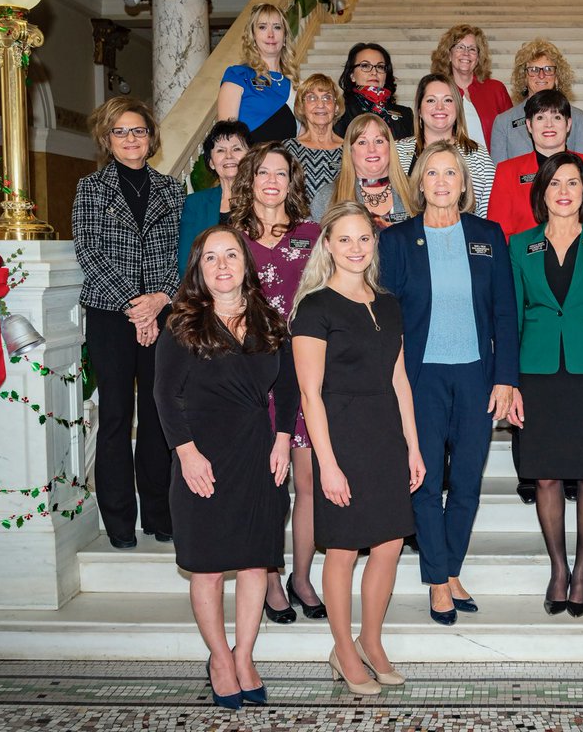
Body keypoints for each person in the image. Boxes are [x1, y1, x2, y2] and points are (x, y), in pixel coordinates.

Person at [155, 226, 296, 710]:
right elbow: (164, 396)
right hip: (203, 457)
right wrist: (186, 453)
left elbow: (291, 387)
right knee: (210, 568)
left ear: (245, 263)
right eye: (210, 257)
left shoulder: (270, 318)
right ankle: (219, 658)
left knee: (258, 561)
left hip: (258, 453)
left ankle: (245, 655)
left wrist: (281, 441)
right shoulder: (181, 323)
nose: (221, 265)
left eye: (230, 255)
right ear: (198, 268)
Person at [379, 141, 519, 627]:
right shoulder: (397, 240)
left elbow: (505, 310)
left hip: (476, 374)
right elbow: (388, 317)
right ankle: (438, 579)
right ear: (420, 184)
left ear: (465, 184)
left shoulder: (487, 235)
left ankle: (450, 568)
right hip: (420, 377)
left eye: (451, 174)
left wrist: (506, 378)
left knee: (465, 481)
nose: (441, 182)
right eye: (432, 174)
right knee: (424, 478)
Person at [291, 202, 425, 695]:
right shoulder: (315, 307)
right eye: (344, 239)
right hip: (340, 434)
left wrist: (413, 445)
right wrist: (327, 464)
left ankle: (371, 640)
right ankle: (343, 648)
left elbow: (400, 378)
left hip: (385, 432)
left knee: (389, 543)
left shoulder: (388, 304)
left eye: (363, 239)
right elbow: (309, 394)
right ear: (327, 245)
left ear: (375, 244)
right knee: (344, 549)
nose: (355, 248)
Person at [506, 152, 583, 619]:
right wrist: (509, 381)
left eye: (572, 183)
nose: (563, 191)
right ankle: (558, 569)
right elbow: (512, 314)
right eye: (554, 182)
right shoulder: (521, 245)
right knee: (547, 474)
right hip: (536, 372)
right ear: (542, 192)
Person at [72, 96, 183, 550]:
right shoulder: (90, 188)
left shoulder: (173, 190)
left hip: (164, 313)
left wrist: (158, 301)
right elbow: (88, 252)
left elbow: (184, 254)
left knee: (159, 417)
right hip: (109, 315)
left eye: (138, 131)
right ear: (107, 138)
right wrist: (133, 306)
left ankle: (159, 514)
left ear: (151, 137)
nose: (131, 139)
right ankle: (119, 521)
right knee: (116, 415)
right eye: (121, 131)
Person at [227, 142, 325, 625]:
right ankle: (268, 577)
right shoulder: (231, 238)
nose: (272, 181)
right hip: (252, 375)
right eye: (262, 172)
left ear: (292, 181)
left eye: (281, 173)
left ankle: (301, 576)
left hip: (306, 371)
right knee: (267, 484)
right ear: (250, 179)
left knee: (307, 481)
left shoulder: (313, 234)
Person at [487, 89, 583, 240]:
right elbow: (498, 234)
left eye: (557, 117)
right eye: (540, 118)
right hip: (525, 261)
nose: (549, 125)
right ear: (529, 125)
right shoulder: (508, 172)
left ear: (568, 124)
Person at [395, 73, 496, 217]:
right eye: (431, 100)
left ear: (457, 109)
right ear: (419, 110)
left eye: (448, 100)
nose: (440, 107)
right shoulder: (397, 151)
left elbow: (490, 212)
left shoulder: (477, 154)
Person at [489, 38, 583, 162]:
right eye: (533, 70)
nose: (541, 75)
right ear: (524, 77)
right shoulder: (503, 122)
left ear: (557, 76)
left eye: (548, 69)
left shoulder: (578, 118)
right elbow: (500, 175)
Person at [216, 3, 300, 144]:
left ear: (285, 37)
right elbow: (227, 138)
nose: (271, 34)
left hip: (286, 164)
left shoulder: (296, 85)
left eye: (277, 27)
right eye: (262, 27)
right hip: (251, 163)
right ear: (253, 37)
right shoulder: (239, 76)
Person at [313, 114, 414, 228]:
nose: (372, 149)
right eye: (362, 142)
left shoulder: (414, 192)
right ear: (350, 150)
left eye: (379, 141)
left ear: (390, 146)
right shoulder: (327, 197)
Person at [178, 120, 251, 276]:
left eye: (236, 149)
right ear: (211, 162)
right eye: (220, 151)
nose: (229, 156)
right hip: (205, 292)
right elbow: (186, 263)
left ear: (250, 156)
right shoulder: (195, 204)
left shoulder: (264, 200)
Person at [430, 24, 512, 151]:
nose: (466, 53)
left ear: (478, 57)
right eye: (460, 47)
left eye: (472, 49)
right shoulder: (438, 92)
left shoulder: (496, 89)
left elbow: (512, 133)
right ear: (449, 54)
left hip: (491, 168)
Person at [333, 43, 414, 141]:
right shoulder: (340, 111)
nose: (374, 72)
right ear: (352, 75)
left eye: (380, 67)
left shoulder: (405, 114)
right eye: (365, 66)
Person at [283, 73, 344, 198]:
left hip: (341, 216)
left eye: (327, 98)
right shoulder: (287, 148)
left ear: (336, 107)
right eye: (311, 98)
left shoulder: (350, 148)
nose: (320, 105)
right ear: (302, 107)